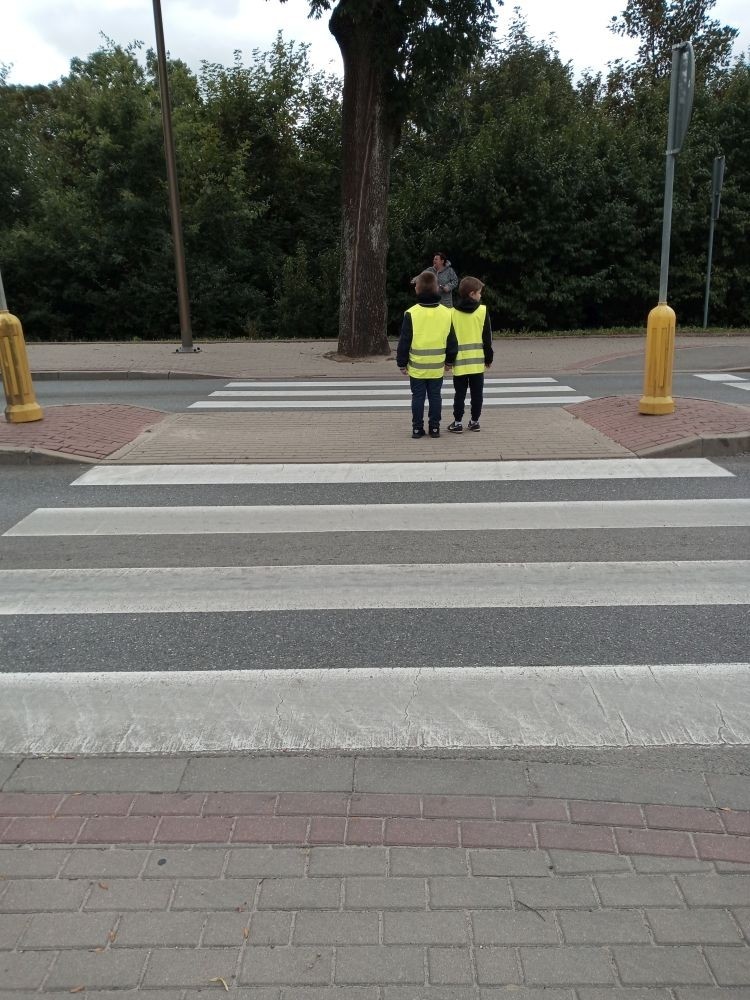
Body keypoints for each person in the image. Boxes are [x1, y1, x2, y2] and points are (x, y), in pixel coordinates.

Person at [397, 269, 457, 439]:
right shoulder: (447, 313)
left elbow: (404, 341)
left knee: (417, 397)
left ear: (417, 289)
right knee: (435, 397)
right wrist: (449, 361)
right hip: (437, 365)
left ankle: (417, 428)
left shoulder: (411, 313)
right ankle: (435, 428)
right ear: (437, 289)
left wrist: (402, 362)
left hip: (416, 366)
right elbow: (452, 341)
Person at [447, 276, 493, 433]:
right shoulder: (482, 311)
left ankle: (458, 422)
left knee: (459, 394)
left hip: (459, 362)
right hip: (477, 363)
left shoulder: (452, 313)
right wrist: (488, 358)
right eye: (479, 292)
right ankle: (474, 421)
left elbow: (450, 339)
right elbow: (487, 338)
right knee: (477, 394)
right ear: (472, 294)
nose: (481, 295)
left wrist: (449, 360)